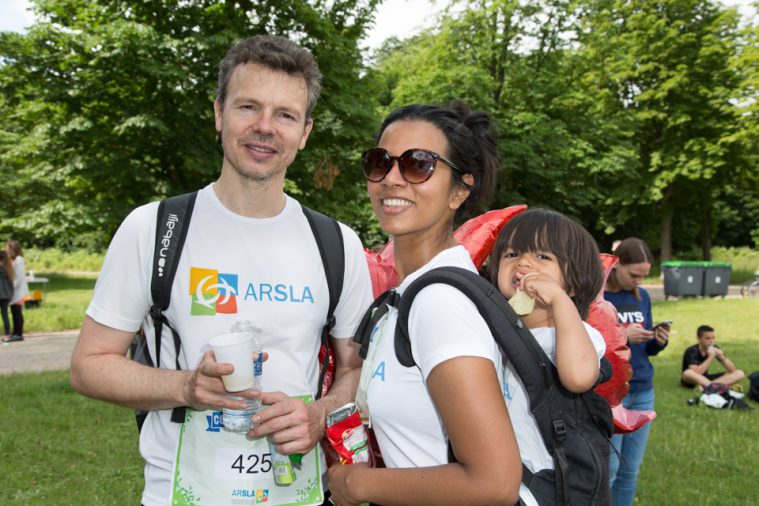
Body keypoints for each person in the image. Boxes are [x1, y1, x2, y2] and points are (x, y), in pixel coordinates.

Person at [69, 35, 373, 506]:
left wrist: (322, 413)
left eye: (285, 115)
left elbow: (355, 369)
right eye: (248, 107)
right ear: (218, 113)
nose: (265, 127)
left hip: (301, 496)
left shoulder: (337, 243)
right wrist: (186, 387)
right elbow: (89, 366)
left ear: (305, 132)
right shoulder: (155, 228)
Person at [328, 102, 523, 506]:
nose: (392, 179)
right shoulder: (412, 294)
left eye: (418, 165)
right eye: (380, 162)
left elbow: (494, 482)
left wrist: (356, 486)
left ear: (459, 190)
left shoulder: (440, 303)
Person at [488, 207, 608, 502]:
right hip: (499, 480)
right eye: (512, 254)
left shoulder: (570, 336)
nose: (524, 262)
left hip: (545, 487)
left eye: (543, 257)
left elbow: (579, 377)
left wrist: (558, 300)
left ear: (575, 283)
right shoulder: (491, 334)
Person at [604, 237, 669, 506]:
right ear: (616, 265)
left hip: (643, 388)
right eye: (634, 275)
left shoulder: (641, 297)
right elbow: (592, 345)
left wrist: (657, 342)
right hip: (613, 392)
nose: (639, 282)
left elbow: (646, 349)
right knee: (609, 470)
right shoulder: (600, 296)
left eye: (644, 276)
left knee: (630, 470)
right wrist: (623, 335)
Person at [681, 325, 745, 389]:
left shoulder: (715, 348)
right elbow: (696, 372)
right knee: (688, 373)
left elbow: (732, 370)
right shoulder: (692, 350)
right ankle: (714, 387)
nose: (711, 341)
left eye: (713, 338)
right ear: (699, 339)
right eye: (708, 338)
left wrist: (722, 357)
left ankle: (710, 387)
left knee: (739, 373)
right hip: (693, 380)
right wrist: (710, 357)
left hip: (706, 380)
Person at [3, 239, 28, 343]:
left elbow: (19, 276)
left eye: (7, 247)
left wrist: (12, 287)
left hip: (18, 290)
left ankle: (18, 333)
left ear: (13, 249)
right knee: (14, 311)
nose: (5, 249)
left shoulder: (18, 260)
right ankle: (15, 332)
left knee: (17, 312)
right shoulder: (14, 259)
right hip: (15, 290)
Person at [0, 249, 13, 339]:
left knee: (4, 313)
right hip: (7, 294)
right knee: (5, 313)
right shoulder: (9, 268)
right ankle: (8, 332)